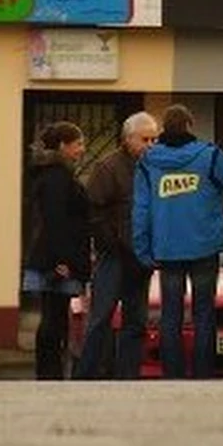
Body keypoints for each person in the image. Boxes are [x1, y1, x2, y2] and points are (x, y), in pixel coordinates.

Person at [132, 104, 223, 378]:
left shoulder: (148, 163)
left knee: (170, 316)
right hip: (204, 248)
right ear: (189, 126)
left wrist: (142, 249)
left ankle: (172, 375)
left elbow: (140, 210)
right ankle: (203, 373)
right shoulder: (208, 157)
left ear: (164, 128)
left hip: (167, 249)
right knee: (204, 314)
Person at [73, 111, 160, 380]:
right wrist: (110, 244)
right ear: (128, 139)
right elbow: (92, 211)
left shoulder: (155, 169)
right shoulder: (109, 168)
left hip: (141, 257)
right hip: (114, 256)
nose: (151, 145)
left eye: (154, 139)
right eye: (145, 139)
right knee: (100, 319)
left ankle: (128, 377)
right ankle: (86, 376)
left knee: (136, 322)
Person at [22, 121, 91, 380]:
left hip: (50, 258)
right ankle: (50, 375)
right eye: (78, 144)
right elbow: (55, 221)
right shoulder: (57, 178)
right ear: (63, 146)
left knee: (54, 317)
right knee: (54, 319)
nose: (82, 149)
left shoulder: (51, 174)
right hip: (56, 261)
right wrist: (61, 260)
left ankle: (49, 373)